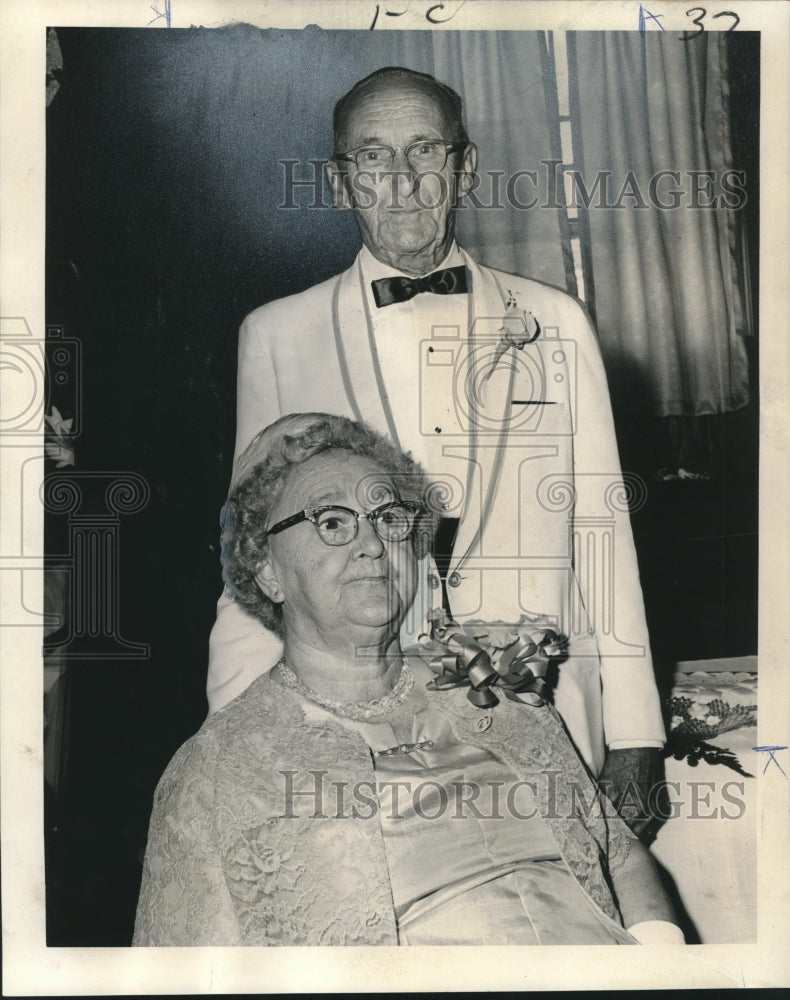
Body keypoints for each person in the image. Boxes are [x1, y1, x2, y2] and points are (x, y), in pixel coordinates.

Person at [207, 66, 666, 826]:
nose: (404, 180)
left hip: (546, 722)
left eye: (426, 150)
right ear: (340, 181)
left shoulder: (555, 321)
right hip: (357, 737)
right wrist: (234, 727)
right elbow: (257, 561)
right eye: (374, 156)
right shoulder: (276, 336)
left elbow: (604, 539)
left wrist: (637, 733)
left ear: (465, 166)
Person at [134, 413, 683, 946]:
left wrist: (661, 962)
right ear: (268, 570)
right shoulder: (217, 768)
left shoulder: (487, 686)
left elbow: (615, 848)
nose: (372, 543)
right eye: (331, 522)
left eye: (388, 517)